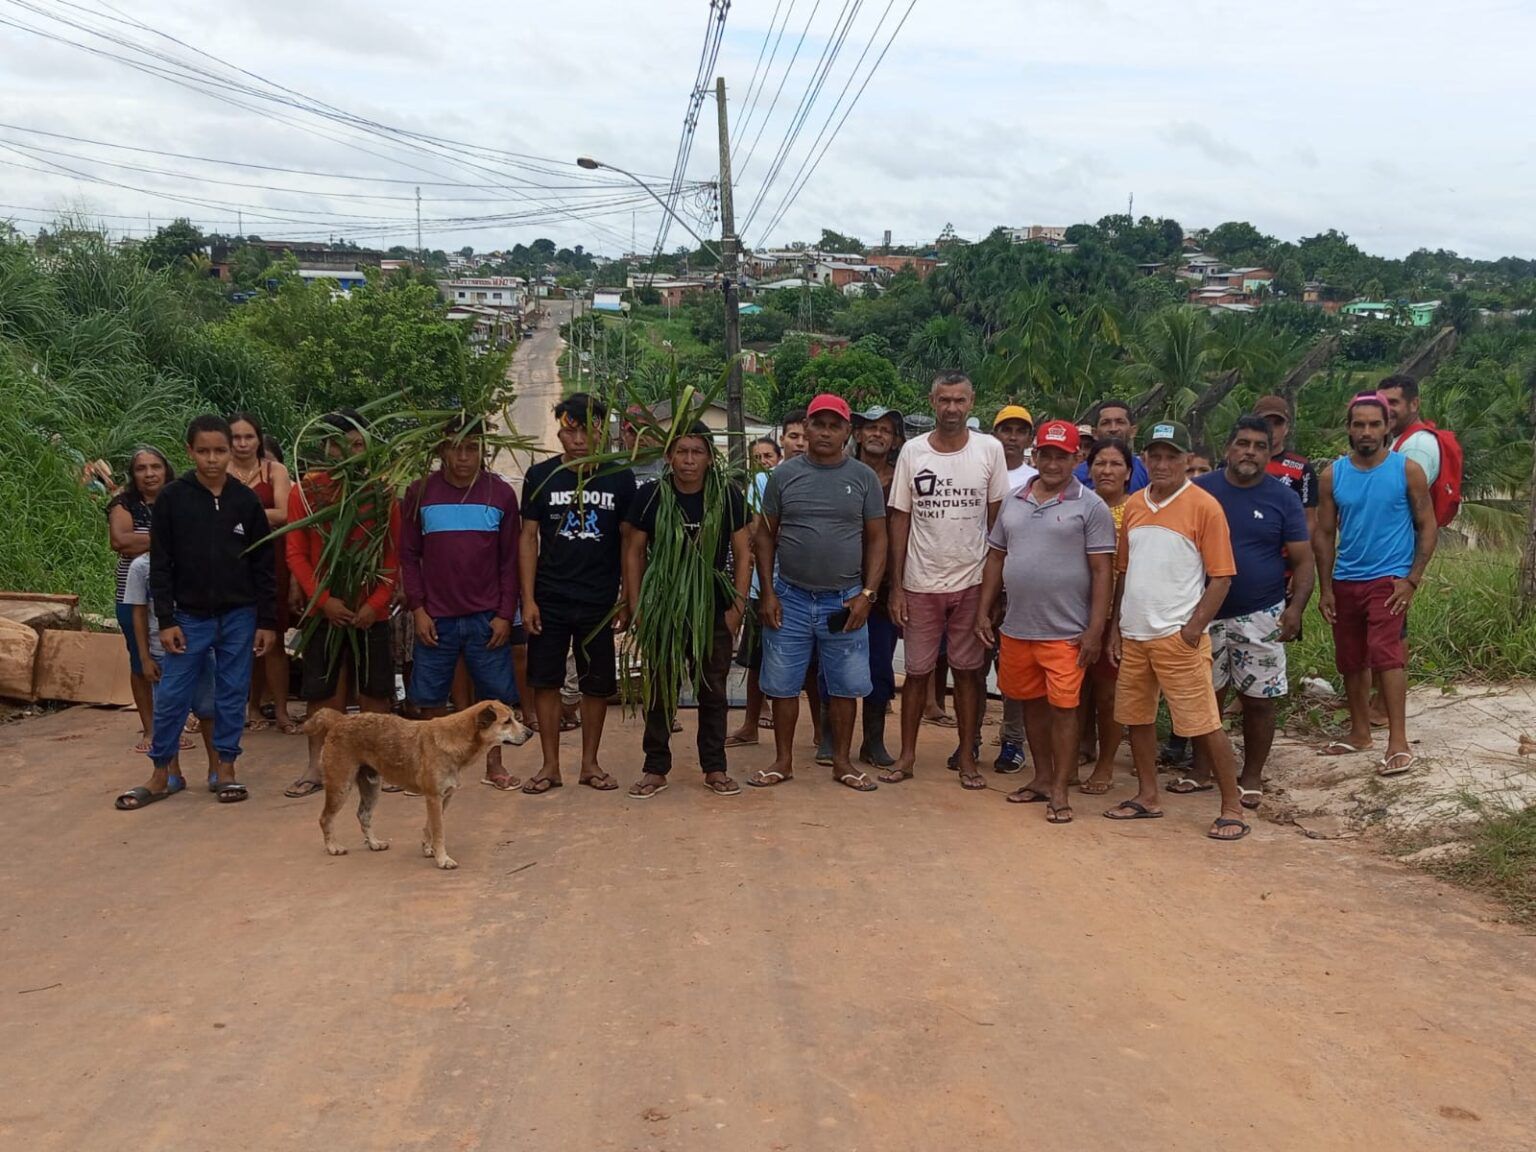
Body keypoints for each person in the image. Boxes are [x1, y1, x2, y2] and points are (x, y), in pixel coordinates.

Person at [1104, 419, 1248, 841]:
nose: (1162, 463)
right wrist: (1116, 627)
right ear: (1145, 459)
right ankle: (1148, 795)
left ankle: (1232, 806)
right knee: (1138, 718)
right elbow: (1123, 572)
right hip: (1135, 634)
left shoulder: (1204, 506)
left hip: (1176, 636)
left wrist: (1192, 629)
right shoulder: (1134, 504)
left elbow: (1221, 576)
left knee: (1204, 723)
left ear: (1187, 459)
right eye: (1155, 456)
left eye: (1171, 456)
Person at [1171, 416, 1315, 808]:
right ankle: (1202, 771)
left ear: (1270, 453)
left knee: (1259, 699)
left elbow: (1303, 561)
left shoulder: (1283, 498)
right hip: (1204, 613)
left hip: (1260, 614)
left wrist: (1296, 608)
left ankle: (1251, 775)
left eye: (1259, 445)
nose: (1249, 451)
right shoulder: (1200, 490)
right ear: (1228, 448)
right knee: (1205, 696)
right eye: (1242, 443)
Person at [975, 421, 1115, 824]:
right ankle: (1041, 778)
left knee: (1064, 708)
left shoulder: (1090, 506)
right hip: (1018, 627)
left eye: (1062, 456)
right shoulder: (1014, 500)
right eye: (1046, 455)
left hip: (1067, 632)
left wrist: (1095, 629)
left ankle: (1060, 790)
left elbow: (1103, 571)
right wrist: (984, 610)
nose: (1053, 463)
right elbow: (997, 557)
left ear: (1077, 458)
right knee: (1031, 704)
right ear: (1035, 456)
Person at [752, 393, 887, 792]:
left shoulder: (863, 478)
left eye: (835, 425)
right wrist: (768, 593)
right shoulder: (784, 475)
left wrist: (868, 594)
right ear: (805, 429)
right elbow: (765, 536)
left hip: (844, 599)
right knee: (781, 684)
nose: (826, 432)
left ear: (848, 432)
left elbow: (878, 541)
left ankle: (842, 762)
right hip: (790, 597)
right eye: (818, 424)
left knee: (846, 686)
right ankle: (783, 760)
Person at [142, 415, 277, 805]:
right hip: (188, 616)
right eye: (204, 451)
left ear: (231, 452)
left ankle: (226, 768)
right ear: (190, 452)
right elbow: (160, 563)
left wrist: (266, 620)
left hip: (240, 615)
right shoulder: (173, 498)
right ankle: (161, 770)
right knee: (172, 693)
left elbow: (263, 565)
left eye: (220, 450)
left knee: (232, 693)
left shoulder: (245, 500)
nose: (213, 459)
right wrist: (165, 620)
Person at [883, 371, 1010, 788]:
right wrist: (896, 586)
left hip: (972, 581)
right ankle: (906, 756)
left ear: (971, 403)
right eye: (944, 400)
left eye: (959, 400)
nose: (952, 408)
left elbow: (997, 525)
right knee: (917, 673)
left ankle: (969, 757)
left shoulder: (989, 450)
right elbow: (899, 520)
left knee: (969, 672)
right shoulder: (913, 453)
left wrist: (994, 592)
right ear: (932, 402)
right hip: (921, 582)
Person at [623, 422, 752, 798]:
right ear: (669, 457)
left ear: (710, 458)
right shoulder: (651, 496)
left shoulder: (726, 496)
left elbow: (745, 553)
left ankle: (715, 767)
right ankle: (655, 767)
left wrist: (738, 608)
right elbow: (633, 552)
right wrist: (637, 605)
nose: (689, 460)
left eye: (697, 452)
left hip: (713, 607)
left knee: (714, 690)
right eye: (682, 452)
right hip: (663, 608)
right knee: (661, 688)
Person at [1314, 392, 1437, 776]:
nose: (1366, 431)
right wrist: (1326, 588)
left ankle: (1397, 741)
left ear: (1387, 428)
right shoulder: (1333, 474)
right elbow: (1324, 534)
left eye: (1374, 424)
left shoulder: (1408, 470)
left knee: (1388, 656)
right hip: (1346, 579)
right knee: (1351, 659)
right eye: (1358, 424)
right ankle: (1359, 732)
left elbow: (1427, 525)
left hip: (1389, 580)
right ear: (1349, 429)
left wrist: (1412, 579)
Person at [520, 393, 636, 794]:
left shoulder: (619, 478)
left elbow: (627, 541)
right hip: (549, 596)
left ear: (603, 431)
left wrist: (625, 594)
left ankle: (590, 763)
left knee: (596, 682)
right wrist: (528, 599)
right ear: (560, 433)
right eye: (573, 430)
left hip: (599, 600)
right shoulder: (540, 477)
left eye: (590, 429)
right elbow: (528, 538)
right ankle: (550, 765)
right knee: (546, 681)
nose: (581, 438)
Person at [401, 416, 525, 790]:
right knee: (429, 697)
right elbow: (408, 555)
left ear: (484, 450)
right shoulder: (420, 493)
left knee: (495, 697)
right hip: (436, 616)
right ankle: (433, 768)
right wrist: (418, 609)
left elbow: (509, 561)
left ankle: (494, 767)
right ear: (441, 450)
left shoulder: (500, 494)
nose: (463, 457)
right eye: (455, 447)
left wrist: (505, 614)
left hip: (486, 617)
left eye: (472, 447)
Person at [283, 411, 402, 798]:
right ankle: (318, 767)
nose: (348, 452)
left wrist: (377, 602)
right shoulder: (307, 491)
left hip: (372, 610)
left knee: (375, 691)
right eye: (339, 445)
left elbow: (392, 554)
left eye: (356, 445)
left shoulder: (381, 493)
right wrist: (324, 600)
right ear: (326, 447)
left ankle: (378, 766)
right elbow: (296, 552)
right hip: (325, 611)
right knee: (322, 692)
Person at [113, 551, 220, 809]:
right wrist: (144, 657)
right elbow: (137, 613)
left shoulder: (197, 558)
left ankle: (217, 768)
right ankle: (171, 772)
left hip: (199, 648)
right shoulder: (141, 567)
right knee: (166, 712)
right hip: (160, 653)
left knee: (208, 709)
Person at [227, 412, 298, 734]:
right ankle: (249, 706)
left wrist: (235, 517)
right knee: (237, 637)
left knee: (273, 636)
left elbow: (284, 514)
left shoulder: (275, 470)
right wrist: (257, 517)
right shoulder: (219, 470)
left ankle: (281, 710)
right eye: (236, 438)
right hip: (229, 564)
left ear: (259, 439)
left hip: (271, 562)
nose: (242, 444)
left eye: (248, 437)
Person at [107, 446, 175, 754]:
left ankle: (172, 723)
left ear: (166, 470)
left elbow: (194, 537)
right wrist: (169, 539)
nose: (149, 474)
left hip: (175, 592)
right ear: (133, 475)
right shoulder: (124, 504)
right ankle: (151, 729)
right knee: (140, 658)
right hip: (131, 593)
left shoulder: (178, 500)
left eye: (155, 467)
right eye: (141, 468)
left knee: (175, 657)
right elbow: (120, 541)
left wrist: (143, 540)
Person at [1077, 438, 1134, 795]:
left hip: (1120, 614)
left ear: (1128, 471)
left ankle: (1105, 764)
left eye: (1115, 464)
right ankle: (1079, 750)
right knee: (1076, 691)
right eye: (1100, 463)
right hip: (1074, 610)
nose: (1107, 470)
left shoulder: (1137, 509)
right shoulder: (1078, 503)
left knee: (1109, 695)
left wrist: (1113, 625)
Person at [849, 406, 903, 767]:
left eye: (885, 429)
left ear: (895, 440)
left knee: (880, 665)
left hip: (885, 589)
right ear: (857, 434)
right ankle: (829, 737)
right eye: (870, 427)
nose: (877, 434)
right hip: (841, 582)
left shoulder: (902, 480)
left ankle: (873, 740)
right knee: (832, 661)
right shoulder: (841, 474)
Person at [990, 404, 1038, 773]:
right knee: (973, 666)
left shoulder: (1035, 479)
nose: (1012, 437)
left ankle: (1012, 741)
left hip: (1020, 589)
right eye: (1006, 430)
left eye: (1020, 431)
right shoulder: (982, 471)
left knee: (1014, 671)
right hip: (980, 580)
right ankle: (969, 740)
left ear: (1028, 438)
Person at [1253, 394, 1319, 534]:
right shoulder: (1236, 463)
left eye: (1278, 423)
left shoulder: (1302, 468)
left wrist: (1299, 550)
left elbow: (1309, 519)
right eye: (1266, 422)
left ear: (1287, 428)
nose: (1271, 429)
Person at [1379, 375, 1442, 485]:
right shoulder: (1405, 439)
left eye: (1393, 403)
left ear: (1414, 404)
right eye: (1382, 403)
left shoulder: (1416, 446)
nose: (1386, 409)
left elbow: (1408, 497)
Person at [1074, 400, 1149, 493]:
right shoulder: (1077, 476)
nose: (1113, 429)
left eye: (1120, 422)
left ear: (1133, 431)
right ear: (1095, 433)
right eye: (1105, 423)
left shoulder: (1146, 471)